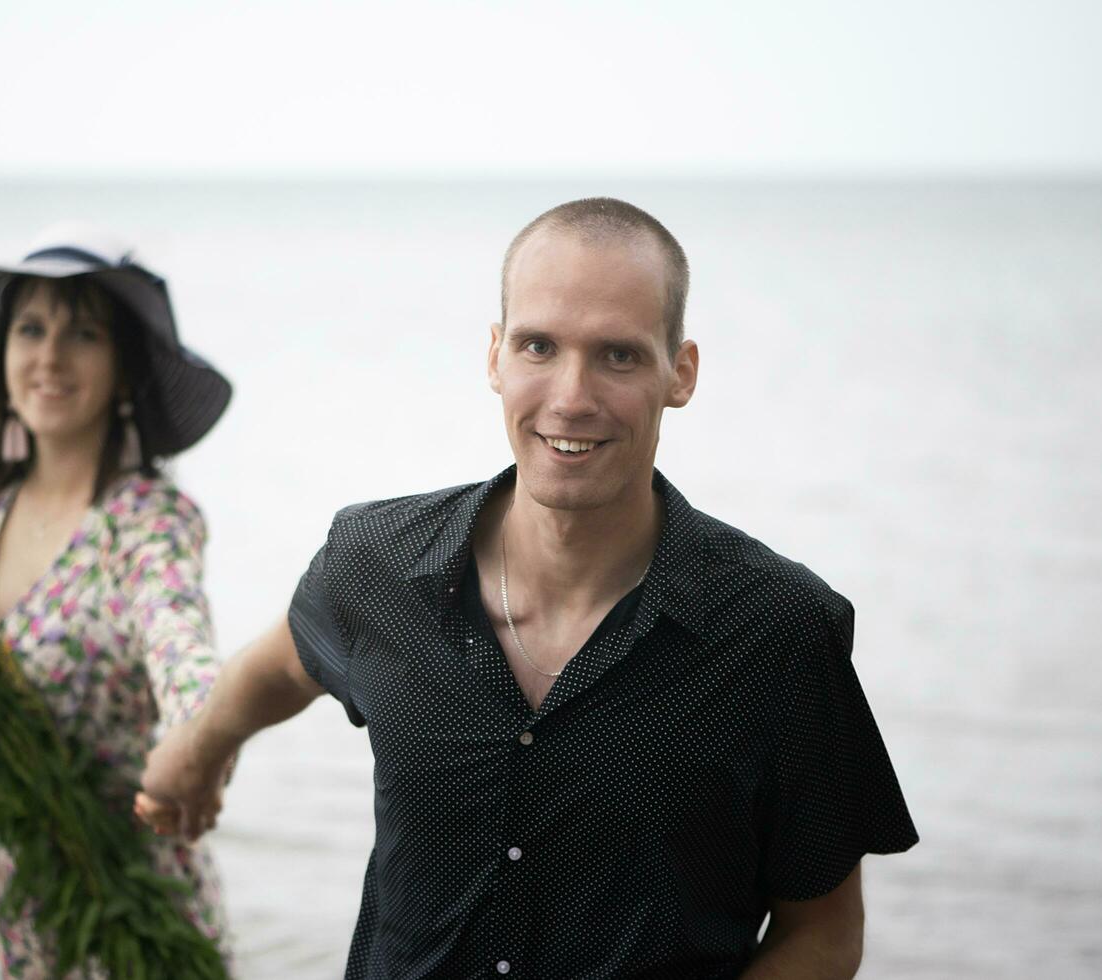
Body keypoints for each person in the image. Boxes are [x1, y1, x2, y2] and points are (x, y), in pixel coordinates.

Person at [135, 198, 919, 979]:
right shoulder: (374, 563)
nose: (572, 396)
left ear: (680, 374)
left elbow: (822, 934)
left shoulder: (778, 630)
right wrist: (194, 756)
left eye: (618, 355)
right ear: (494, 358)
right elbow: (277, 667)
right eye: (539, 346)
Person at [0, 225, 233, 978]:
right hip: (24, 890)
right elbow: (7, 690)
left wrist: (201, 738)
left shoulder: (145, 518)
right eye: (31, 328)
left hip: (128, 897)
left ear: (122, 369)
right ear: (3, 356)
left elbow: (178, 639)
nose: (49, 356)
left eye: (82, 334)